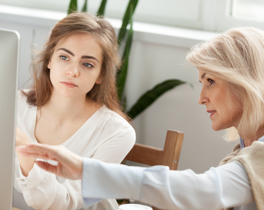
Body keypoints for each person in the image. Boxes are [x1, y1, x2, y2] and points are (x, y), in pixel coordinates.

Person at [16, 27, 264, 210]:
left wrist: (86, 169)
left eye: (210, 81)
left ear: (244, 83)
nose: (201, 98)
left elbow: (206, 191)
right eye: (64, 57)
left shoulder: (259, 154)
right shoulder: (245, 149)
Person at [14, 12, 136, 210]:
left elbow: (67, 204)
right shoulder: (14, 104)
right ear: (49, 60)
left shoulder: (117, 133)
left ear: (101, 74)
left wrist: (26, 148)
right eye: (64, 57)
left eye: (87, 64)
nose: (73, 71)